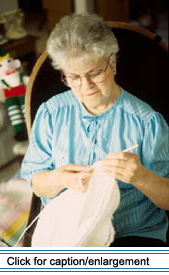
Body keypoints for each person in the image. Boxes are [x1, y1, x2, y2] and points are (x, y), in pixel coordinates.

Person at [21, 13, 169, 247]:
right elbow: (36, 183)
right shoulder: (51, 113)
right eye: (74, 77)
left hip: (132, 235)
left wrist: (141, 176)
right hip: (68, 232)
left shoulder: (147, 121)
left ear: (112, 64)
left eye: (95, 73)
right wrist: (57, 178)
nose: (85, 86)